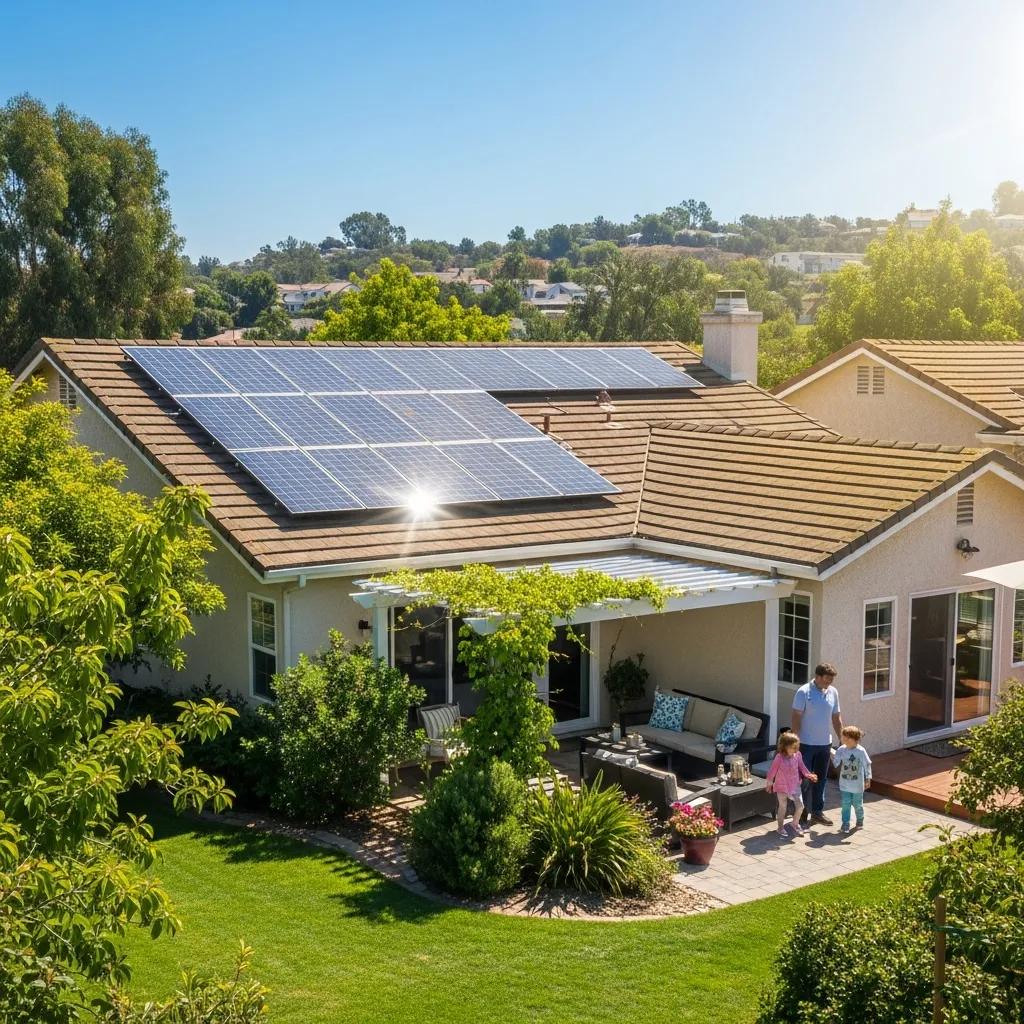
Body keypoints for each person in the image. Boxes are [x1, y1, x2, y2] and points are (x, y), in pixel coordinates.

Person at [791, 662, 843, 826]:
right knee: (804, 781)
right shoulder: (803, 692)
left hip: (824, 745)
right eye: (827, 680)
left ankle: (817, 813)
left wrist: (842, 739)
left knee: (821, 780)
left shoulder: (833, 692)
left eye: (831, 680)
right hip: (805, 744)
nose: (829, 683)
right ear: (818, 676)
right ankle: (801, 813)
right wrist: (795, 742)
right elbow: (796, 718)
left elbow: (836, 717)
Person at [765, 731, 818, 838]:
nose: (794, 749)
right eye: (792, 747)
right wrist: (769, 783)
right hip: (781, 786)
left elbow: (802, 767)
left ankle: (794, 823)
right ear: (784, 746)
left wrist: (809, 775)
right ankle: (780, 827)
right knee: (782, 807)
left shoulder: (797, 755)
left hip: (795, 785)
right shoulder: (779, 757)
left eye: (796, 747)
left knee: (800, 806)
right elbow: (772, 771)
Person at [831, 725, 872, 832]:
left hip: (858, 785)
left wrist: (868, 778)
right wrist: (831, 752)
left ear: (855, 739)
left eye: (846, 737)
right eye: (843, 737)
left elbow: (867, 764)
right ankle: (845, 823)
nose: (843, 739)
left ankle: (860, 820)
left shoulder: (861, 751)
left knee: (857, 804)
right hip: (845, 784)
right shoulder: (841, 749)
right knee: (845, 804)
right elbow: (836, 762)